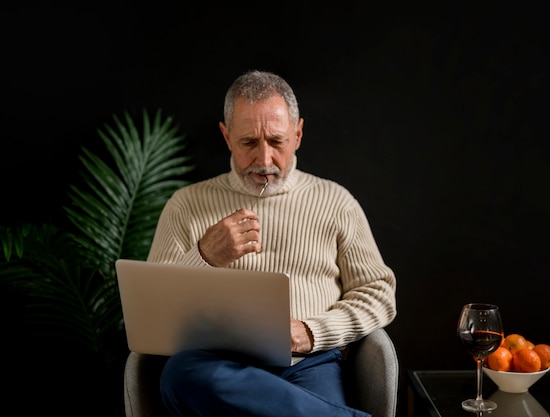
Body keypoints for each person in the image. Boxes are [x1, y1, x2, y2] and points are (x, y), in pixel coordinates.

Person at [147, 70, 397, 417]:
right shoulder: (186, 205)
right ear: (226, 136)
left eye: (277, 141)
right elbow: (154, 313)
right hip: (215, 365)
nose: (264, 160)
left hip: (308, 363)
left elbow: (379, 293)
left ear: (298, 134)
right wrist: (204, 256)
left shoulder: (336, 202)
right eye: (249, 142)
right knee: (179, 374)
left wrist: (310, 332)